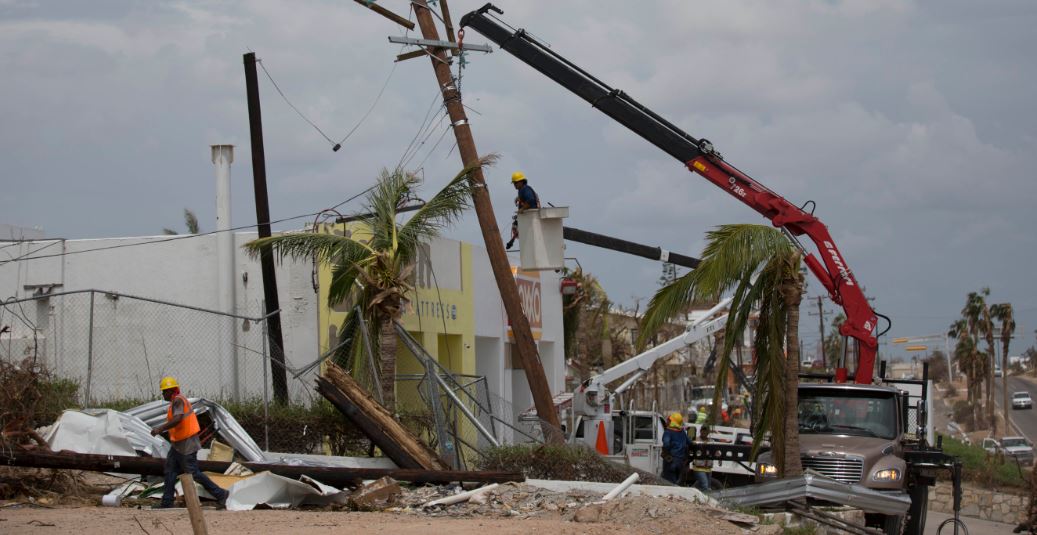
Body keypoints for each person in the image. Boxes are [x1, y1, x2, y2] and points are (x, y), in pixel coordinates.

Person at [150, 376, 229, 508]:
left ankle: (221, 494)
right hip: (178, 444)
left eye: (164, 391)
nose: (163, 394)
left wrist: (160, 428)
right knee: (170, 470)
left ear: (171, 391)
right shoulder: (176, 402)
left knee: (193, 473)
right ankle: (167, 502)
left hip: (187, 444)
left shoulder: (178, 401)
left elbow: (178, 419)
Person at [505, 171, 540, 249]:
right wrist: (518, 198)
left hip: (531, 215)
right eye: (514, 183)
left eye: (516, 183)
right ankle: (512, 240)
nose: (514, 185)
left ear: (521, 182)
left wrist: (522, 209)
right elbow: (525, 197)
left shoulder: (525, 189)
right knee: (516, 226)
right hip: (527, 216)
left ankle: (512, 241)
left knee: (518, 227)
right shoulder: (522, 190)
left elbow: (531, 200)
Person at [660, 412, 690, 485]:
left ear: (672, 421)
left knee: (669, 484)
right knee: (677, 483)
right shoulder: (682, 432)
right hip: (680, 463)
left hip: (670, 461)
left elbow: (666, 444)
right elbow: (689, 442)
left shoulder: (668, 432)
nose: (667, 421)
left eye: (669, 420)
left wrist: (666, 452)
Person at [690, 426, 714, 492]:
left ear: (708, 432)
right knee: (705, 486)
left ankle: (691, 493)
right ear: (700, 431)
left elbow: (716, 452)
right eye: (702, 430)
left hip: (708, 469)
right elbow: (690, 451)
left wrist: (720, 458)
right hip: (698, 468)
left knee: (708, 488)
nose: (704, 432)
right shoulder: (695, 440)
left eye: (705, 430)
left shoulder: (711, 441)